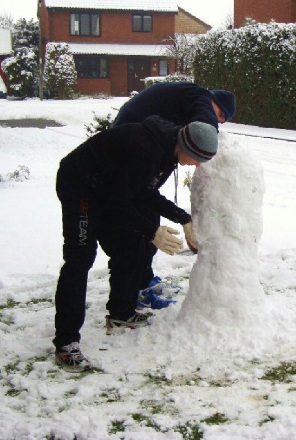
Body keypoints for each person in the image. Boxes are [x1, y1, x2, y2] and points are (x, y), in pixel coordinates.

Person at [53, 116, 218, 372]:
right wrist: (153, 231)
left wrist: (184, 219)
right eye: (198, 159)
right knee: (80, 258)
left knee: (131, 247)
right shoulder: (148, 150)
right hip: (81, 186)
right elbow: (121, 201)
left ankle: (121, 313)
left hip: (108, 190)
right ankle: (66, 343)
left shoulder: (168, 152)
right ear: (187, 147)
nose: (196, 166)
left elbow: (143, 192)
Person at [107, 81, 236, 309]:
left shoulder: (183, 107)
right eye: (220, 115)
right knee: (137, 222)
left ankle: (143, 281)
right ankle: (133, 292)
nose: (218, 121)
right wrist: (206, 145)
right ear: (214, 101)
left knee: (147, 209)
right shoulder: (201, 96)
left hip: (135, 143)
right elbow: (205, 123)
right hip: (127, 145)